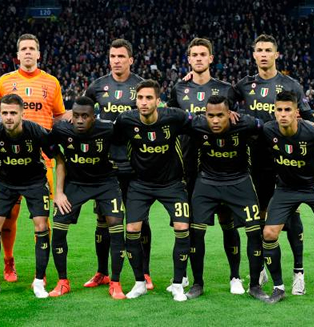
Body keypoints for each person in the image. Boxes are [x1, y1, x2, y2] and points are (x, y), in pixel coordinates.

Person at [0, 34, 67, 282]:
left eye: (32, 49)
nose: (28, 52)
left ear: (38, 54)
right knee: (8, 217)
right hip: (10, 161)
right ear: (17, 55)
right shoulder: (5, 82)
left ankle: (41, 273)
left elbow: (59, 117)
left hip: (42, 162)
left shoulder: (52, 82)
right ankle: (8, 262)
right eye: (23, 49)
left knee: (42, 219)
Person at [234, 34, 314, 294]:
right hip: (254, 162)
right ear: (254, 54)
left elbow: (309, 119)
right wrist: (192, 75)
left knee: (291, 218)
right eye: (259, 50)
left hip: (286, 163)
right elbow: (219, 97)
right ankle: (262, 268)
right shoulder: (244, 86)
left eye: (269, 50)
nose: (264, 54)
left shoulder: (290, 84)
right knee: (256, 218)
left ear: (276, 54)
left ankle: (298, 272)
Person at [167, 37, 242, 295]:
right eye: (194, 55)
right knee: (189, 224)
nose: (198, 58)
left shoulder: (227, 90)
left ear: (211, 58)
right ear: (189, 60)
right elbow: (170, 121)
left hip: (220, 164)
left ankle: (235, 277)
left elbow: (239, 120)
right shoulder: (178, 89)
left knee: (226, 220)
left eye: (203, 54)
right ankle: (188, 277)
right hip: (187, 164)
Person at [262, 90, 314, 306]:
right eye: (279, 110)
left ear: (296, 112)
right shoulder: (268, 129)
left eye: (287, 110)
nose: (283, 114)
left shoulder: (313, 131)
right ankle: (278, 287)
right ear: (274, 111)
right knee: (269, 234)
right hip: (285, 189)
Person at [84, 39, 154, 289]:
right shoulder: (97, 86)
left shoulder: (141, 87)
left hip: (136, 166)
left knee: (140, 220)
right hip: (107, 167)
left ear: (131, 59)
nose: (116, 60)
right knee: (103, 220)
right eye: (113, 56)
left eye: (121, 56)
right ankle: (102, 272)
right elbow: (85, 116)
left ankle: (144, 273)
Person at [114, 79, 191, 301]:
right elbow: (114, 139)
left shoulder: (174, 117)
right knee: (132, 229)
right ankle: (139, 282)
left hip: (172, 184)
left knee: (182, 227)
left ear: (158, 101)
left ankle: (178, 284)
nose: (144, 102)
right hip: (140, 185)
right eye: (140, 98)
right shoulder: (126, 120)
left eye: (149, 98)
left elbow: (198, 126)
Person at [188, 95, 268, 301]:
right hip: (207, 182)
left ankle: (252, 285)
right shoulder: (197, 124)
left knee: (254, 232)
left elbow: (268, 128)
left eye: (220, 115)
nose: (215, 120)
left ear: (230, 114)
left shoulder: (245, 123)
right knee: (195, 233)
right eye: (210, 115)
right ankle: (197, 283)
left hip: (239, 182)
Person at [0, 94, 53, 298]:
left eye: (13, 113)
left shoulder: (35, 130)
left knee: (42, 225)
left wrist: (59, 191)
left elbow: (58, 156)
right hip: (6, 182)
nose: (8, 117)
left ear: (22, 114)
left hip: (35, 181)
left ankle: (39, 282)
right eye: (4, 113)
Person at [48, 96, 126, 299]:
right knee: (58, 226)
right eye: (76, 116)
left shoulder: (108, 129)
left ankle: (114, 282)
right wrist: (59, 189)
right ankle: (62, 281)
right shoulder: (61, 130)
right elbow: (51, 149)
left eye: (85, 116)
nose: (80, 120)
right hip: (76, 184)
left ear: (94, 117)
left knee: (116, 228)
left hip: (106, 183)